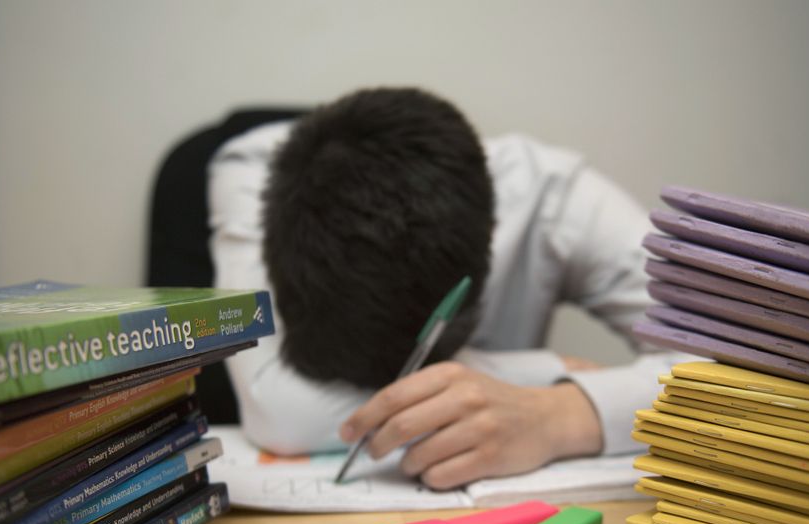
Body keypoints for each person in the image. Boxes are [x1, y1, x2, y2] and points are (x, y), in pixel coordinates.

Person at [208, 87, 684, 490]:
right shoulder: (254, 173)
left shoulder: (560, 199)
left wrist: (561, 416)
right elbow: (282, 410)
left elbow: (741, 369)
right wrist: (543, 371)